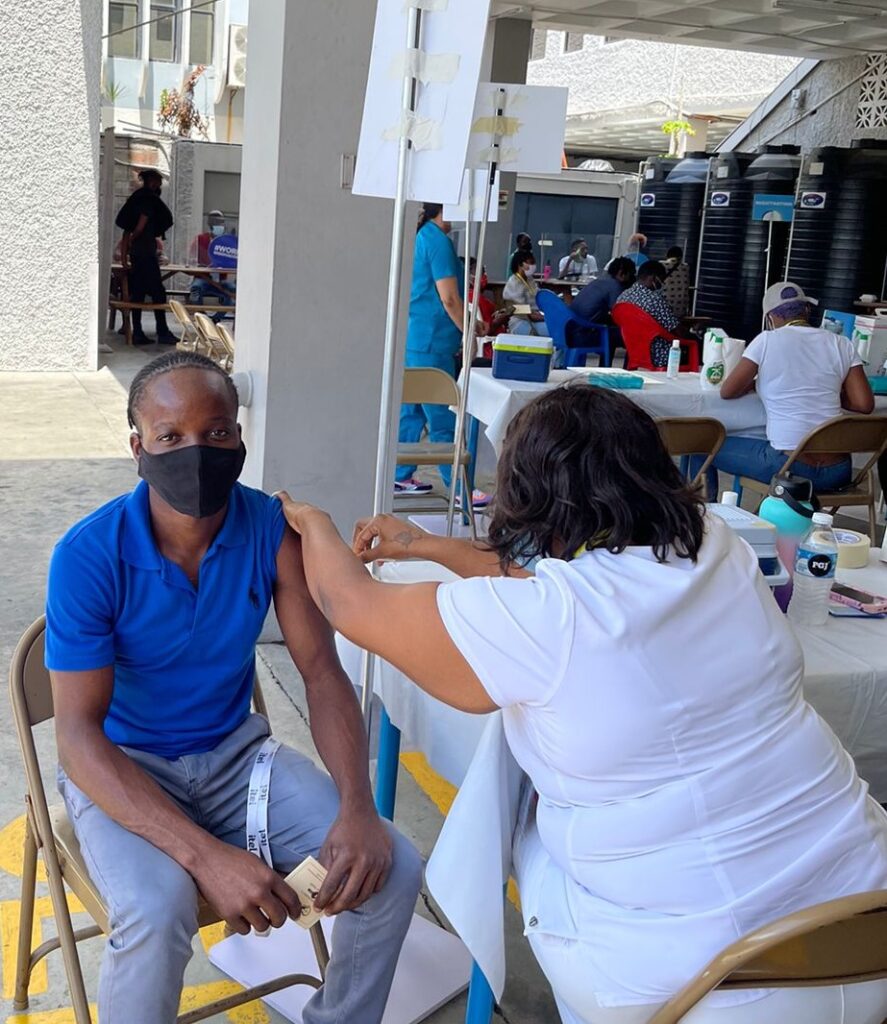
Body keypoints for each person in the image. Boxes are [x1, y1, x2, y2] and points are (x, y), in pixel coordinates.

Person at [275, 384, 887, 1024]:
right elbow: (545, 575)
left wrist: (314, 524)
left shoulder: (550, 621)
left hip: (714, 984)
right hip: (860, 924)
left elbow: (350, 604)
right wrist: (420, 545)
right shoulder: (714, 545)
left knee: (498, 815)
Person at [45, 351, 422, 1024]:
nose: (197, 452)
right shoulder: (88, 554)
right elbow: (77, 733)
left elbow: (321, 672)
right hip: (125, 769)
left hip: (236, 762)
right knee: (156, 912)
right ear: (138, 447)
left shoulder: (268, 530)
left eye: (217, 432)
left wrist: (357, 807)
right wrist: (205, 856)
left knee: (391, 867)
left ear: (240, 437)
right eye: (170, 437)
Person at [693, 282, 875, 500]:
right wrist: (829, 391)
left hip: (790, 468)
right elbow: (864, 404)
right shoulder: (841, 343)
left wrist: (757, 383)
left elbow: (728, 391)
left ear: (770, 318)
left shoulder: (766, 340)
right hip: (839, 472)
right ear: (807, 310)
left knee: (700, 445)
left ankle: (702, 521)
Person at [397, 203, 487, 501]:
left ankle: (400, 477)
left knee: (411, 412)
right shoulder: (438, 241)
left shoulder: (422, 236)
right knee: (442, 415)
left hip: (415, 337)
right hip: (433, 341)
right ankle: (460, 489)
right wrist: (469, 330)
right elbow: (449, 298)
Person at [116, 169, 178, 346]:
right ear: (151, 181)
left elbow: (126, 229)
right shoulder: (148, 199)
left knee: (138, 293)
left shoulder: (136, 198)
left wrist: (125, 257)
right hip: (145, 253)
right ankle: (162, 331)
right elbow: (141, 223)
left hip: (137, 254)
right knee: (158, 293)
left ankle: (137, 332)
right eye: (158, 181)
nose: (159, 184)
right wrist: (137, 237)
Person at [614, 260, 693, 367]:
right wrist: (695, 336)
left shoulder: (623, 297)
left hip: (633, 351)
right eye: (662, 280)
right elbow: (677, 330)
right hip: (660, 354)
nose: (663, 284)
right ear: (654, 278)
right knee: (695, 346)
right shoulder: (655, 300)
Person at [571, 257, 636, 323]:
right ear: (621, 273)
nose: (631, 279)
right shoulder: (615, 287)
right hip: (585, 326)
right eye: (630, 275)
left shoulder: (600, 280)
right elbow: (618, 312)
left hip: (573, 319)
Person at [503, 249, 550, 337]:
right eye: (530, 263)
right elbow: (522, 311)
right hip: (521, 321)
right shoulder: (514, 283)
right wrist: (548, 318)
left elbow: (538, 296)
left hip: (535, 319)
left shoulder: (529, 280)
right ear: (520, 265)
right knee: (552, 332)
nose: (533, 266)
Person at [660, 245, 691, 318]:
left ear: (667, 255)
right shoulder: (686, 267)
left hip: (664, 310)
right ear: (681, 257)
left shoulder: (661, 265)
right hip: (681, 311)